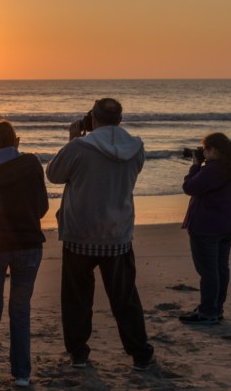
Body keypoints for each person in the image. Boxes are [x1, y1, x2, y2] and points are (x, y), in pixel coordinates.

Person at [45, 97, 155, 370]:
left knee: (77, 298)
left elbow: (54, 174)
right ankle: (140, 353)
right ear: (120, 119)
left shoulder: (80, 147)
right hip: (117, 232)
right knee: (125, 298)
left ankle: (79, 353)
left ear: (92, 119)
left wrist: (72, 138)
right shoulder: (135, 147)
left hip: (80, 231)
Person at [0, 121, 48, 388]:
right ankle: (22, 374)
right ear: (16, 141)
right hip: (27, 243)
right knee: (20, 308)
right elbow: (41, 206)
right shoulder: (31, 164)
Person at [179, 132, 231, 325]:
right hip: (229, 225)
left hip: (207, 227)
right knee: (220, 268)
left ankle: (208, 311)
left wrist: (195, 166)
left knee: (208, 271)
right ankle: (216, 308)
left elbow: (190, 187)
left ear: (214, 150)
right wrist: (203, 164)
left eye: (206, 149)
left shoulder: (213, 170)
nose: (204, 153)